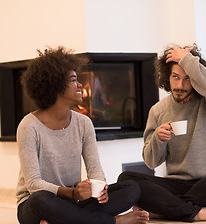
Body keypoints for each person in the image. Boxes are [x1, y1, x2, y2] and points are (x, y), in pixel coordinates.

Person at [16, 47, 149, 224]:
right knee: (40, 199)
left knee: (131, 188)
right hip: (36, 205)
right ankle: (114, 222)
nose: (80, 85)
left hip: (73, 203)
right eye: (73, 80)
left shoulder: (83, 122)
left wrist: (99, 189)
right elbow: (33, 184)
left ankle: (66, 221)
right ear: (55, 85)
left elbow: (94, 168)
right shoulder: (29, 125)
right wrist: (72, 193)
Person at [118, 44, 206, 222]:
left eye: (187, 78)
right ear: (167, 77)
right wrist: (158, 139)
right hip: (177, 184)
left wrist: (187, 58)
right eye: (175, 77)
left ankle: (165, 211)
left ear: (196, 78)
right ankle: (198, 213)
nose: (180, 85)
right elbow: (151, 162)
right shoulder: (158, 110)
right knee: (126, 179)